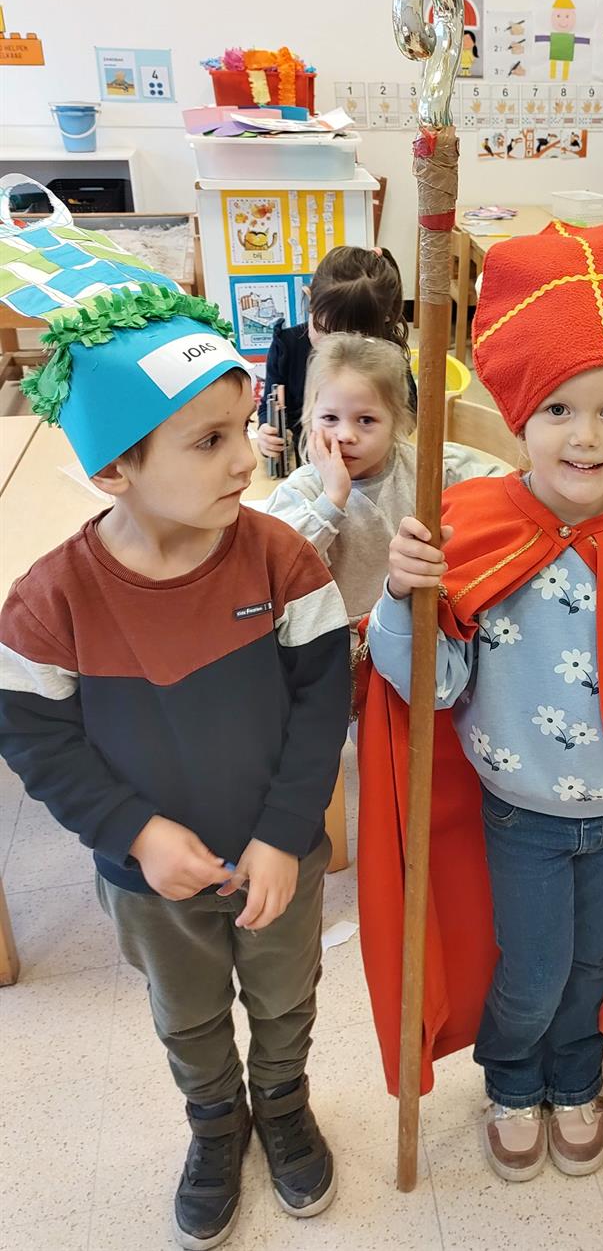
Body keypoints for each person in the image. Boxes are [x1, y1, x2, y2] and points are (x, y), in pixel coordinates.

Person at [359, 221, 603, 1182]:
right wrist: (404, 595)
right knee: (532, 971)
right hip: (521, 813)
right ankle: (510, 1078)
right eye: (559, 408)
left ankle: (575, 1077)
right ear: (517, 414)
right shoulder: (469, 528)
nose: (584, 435)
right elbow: (433, 688)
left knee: (593, 966)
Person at [0, 266, 352, 1248]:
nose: (247, 457)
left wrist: (285, 833)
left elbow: (324, 701)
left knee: (285, 998)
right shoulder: (49, 603)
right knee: (187, 1012)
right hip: (150, 880)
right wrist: (136, 834)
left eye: (242, 427)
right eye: (209, 441)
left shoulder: (284, 561)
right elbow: (32, 735)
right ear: (116, 468)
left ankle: (282, 1104)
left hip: (279, 856)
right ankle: (215, 1121)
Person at [264, 333, 505, 635]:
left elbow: (499, 487)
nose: (345, 435)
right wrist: (332, 499)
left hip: (412, 627)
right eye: (329, 418)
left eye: (366, 420)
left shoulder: (425, 467)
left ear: (397, 421)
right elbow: (277, 570)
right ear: (310, 419)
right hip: (339, 638)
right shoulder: (303, 490)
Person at [256, 244, 416, 463]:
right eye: (324, 330)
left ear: (382, 323)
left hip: (365, 468)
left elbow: (408, 418)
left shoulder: (387, 359)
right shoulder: (287, 345)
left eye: (350, 339)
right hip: (303, 464)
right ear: (310, 299)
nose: (333, 347)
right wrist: (266, 431)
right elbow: (269, 404)